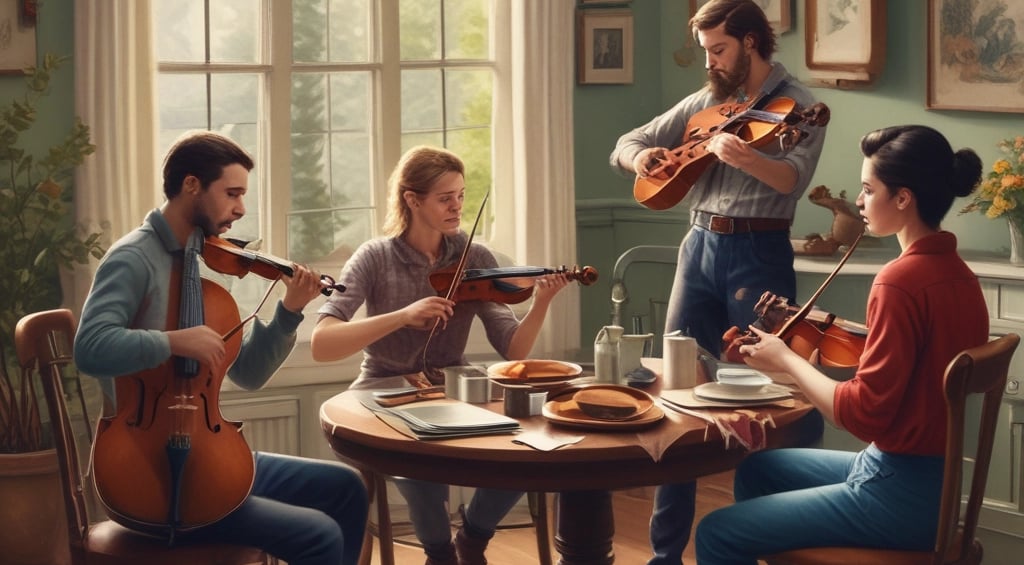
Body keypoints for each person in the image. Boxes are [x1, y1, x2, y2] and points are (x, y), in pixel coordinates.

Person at [694, 124, 988, 563]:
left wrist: (789, 362)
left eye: (869, 190)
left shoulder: (899, 281)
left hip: (897, 493)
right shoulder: (959, 275)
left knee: (717, 533)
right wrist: (807, 363)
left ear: (903, 198)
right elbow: (908, 384)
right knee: (760, 469)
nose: (859, 201)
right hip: (938, 483)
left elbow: (864, 416)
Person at [74, 131, 369, 565]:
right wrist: (174, 342)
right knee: (318, 534)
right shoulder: (133, 258)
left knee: (346, 488)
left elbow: (247, 373)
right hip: (150, 473)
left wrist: (289, 310)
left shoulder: (195, 261)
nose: (241, 208)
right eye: (232, 193)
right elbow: (90, 346)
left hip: (207, 453)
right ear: (191, 185)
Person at [608, 1, 827, 562]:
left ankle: (787, 536)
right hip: (697, 245)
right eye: (706, 49)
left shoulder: (799, 105)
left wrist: (747, 158)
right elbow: (624, 144)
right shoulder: (708, 100)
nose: (710, 60)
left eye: (719, 49)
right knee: (677, 391)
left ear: (751, 42)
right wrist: (645, 160)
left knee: (778, 393)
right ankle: (664, 554)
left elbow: (791, 181)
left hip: (758, 251)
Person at [310, 145, 571, 565]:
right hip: (384, 386)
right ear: (412, 200)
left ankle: (473, 535)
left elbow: (513, 349)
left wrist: (541, 302)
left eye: (462, 195)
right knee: (421, 465)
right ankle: (439, 554)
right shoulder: (376, 256)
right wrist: (401, 316)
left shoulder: (473, 257)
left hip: (455, 387)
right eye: (445, 198)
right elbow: (324, 343)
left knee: (529, 449)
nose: (457, 207)